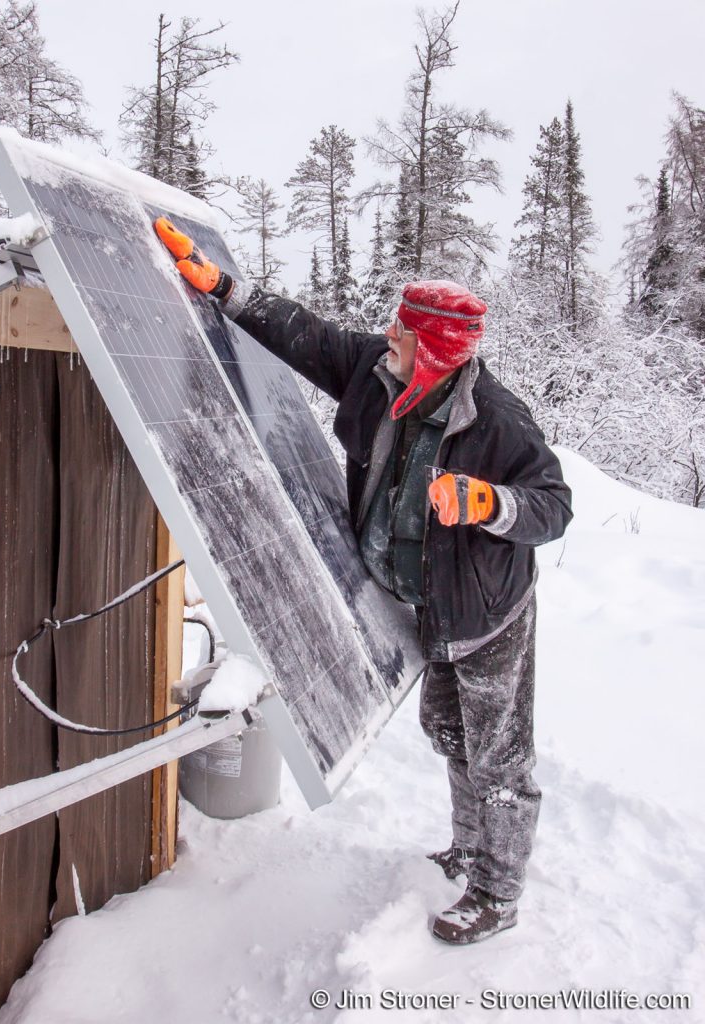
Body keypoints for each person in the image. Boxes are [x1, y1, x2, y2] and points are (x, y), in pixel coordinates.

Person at [154, 217, 573, 945]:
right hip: (428, 602)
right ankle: (469, 850)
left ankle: (497, 893)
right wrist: (223, 287)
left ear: (436, 349)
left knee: (498, 752)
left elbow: (555, 504)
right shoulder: (381, 374)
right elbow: (306, 334)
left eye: (404, 332)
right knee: (448, 728)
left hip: (483, 611)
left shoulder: (498, 420)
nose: (390, 336)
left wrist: (488, 502)